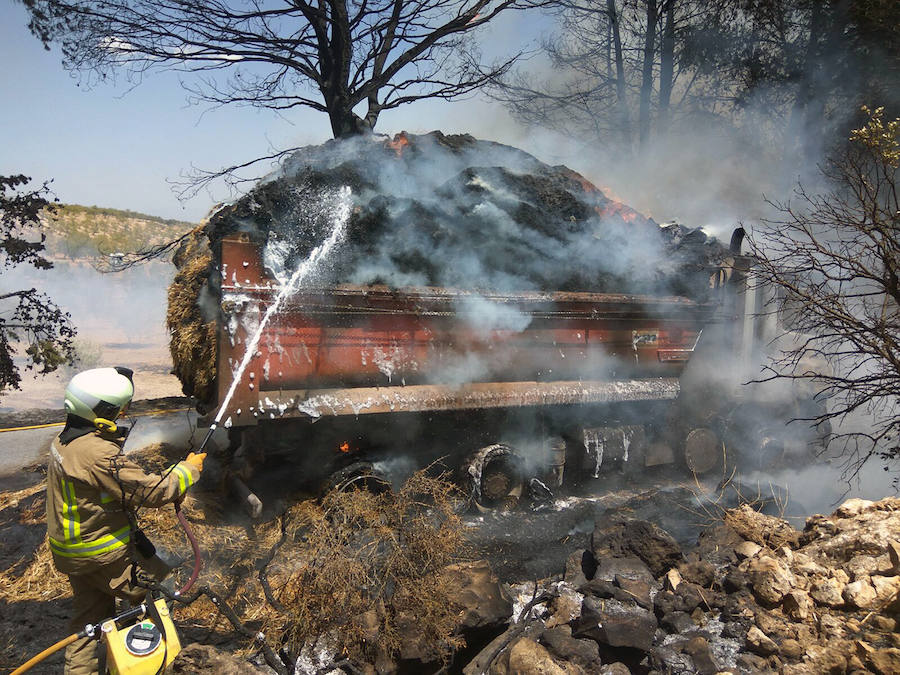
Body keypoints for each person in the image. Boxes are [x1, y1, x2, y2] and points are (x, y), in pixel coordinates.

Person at [46, 366, 206, 674]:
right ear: (101, 412)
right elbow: (155, 492)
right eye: (118, 411)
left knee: (89, 625)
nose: (122, 416)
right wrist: (189, 470)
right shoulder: (97, 455)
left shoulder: (66, 440)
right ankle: (154, 661)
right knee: (156, 596)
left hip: (73, 553)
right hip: (102, 554)